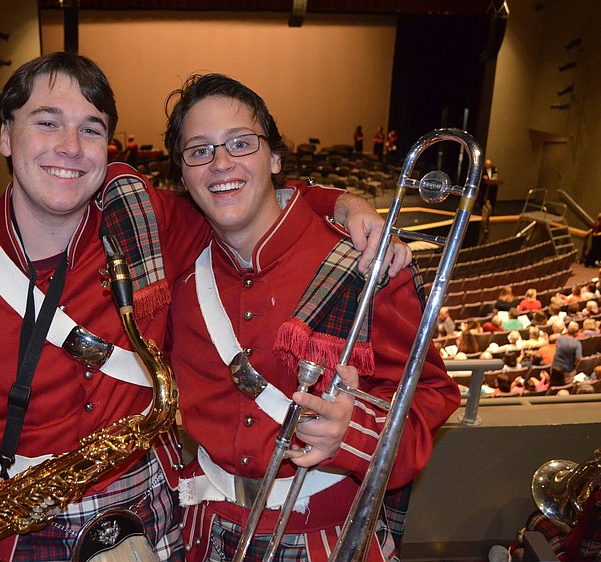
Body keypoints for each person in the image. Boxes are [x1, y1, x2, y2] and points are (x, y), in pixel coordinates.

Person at [0, 52, 408, 562]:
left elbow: (244, 199)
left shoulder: (147, 223)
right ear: (6, 135)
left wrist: (347, 205)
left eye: (91, 129)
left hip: (148, 503)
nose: (70, 148)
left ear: (109, 146)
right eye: (47, 123)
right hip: (12, 515)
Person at [162, 73, 459, 562]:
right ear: (183, 173)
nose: (220, 163)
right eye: (199, 151)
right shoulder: (177, 265)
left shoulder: (363, 262)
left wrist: (356, 431)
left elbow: (431, 393)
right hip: (203, 530)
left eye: (241, 143)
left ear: (275, 157)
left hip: (325, 535)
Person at [550, 321, 582, 386]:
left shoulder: (559, 338)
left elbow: (551, 338)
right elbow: (579, 359)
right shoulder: (577, 343)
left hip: (555, 369)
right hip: (568, 371)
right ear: (576, 333)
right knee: (566, 386)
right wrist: (575, 367)